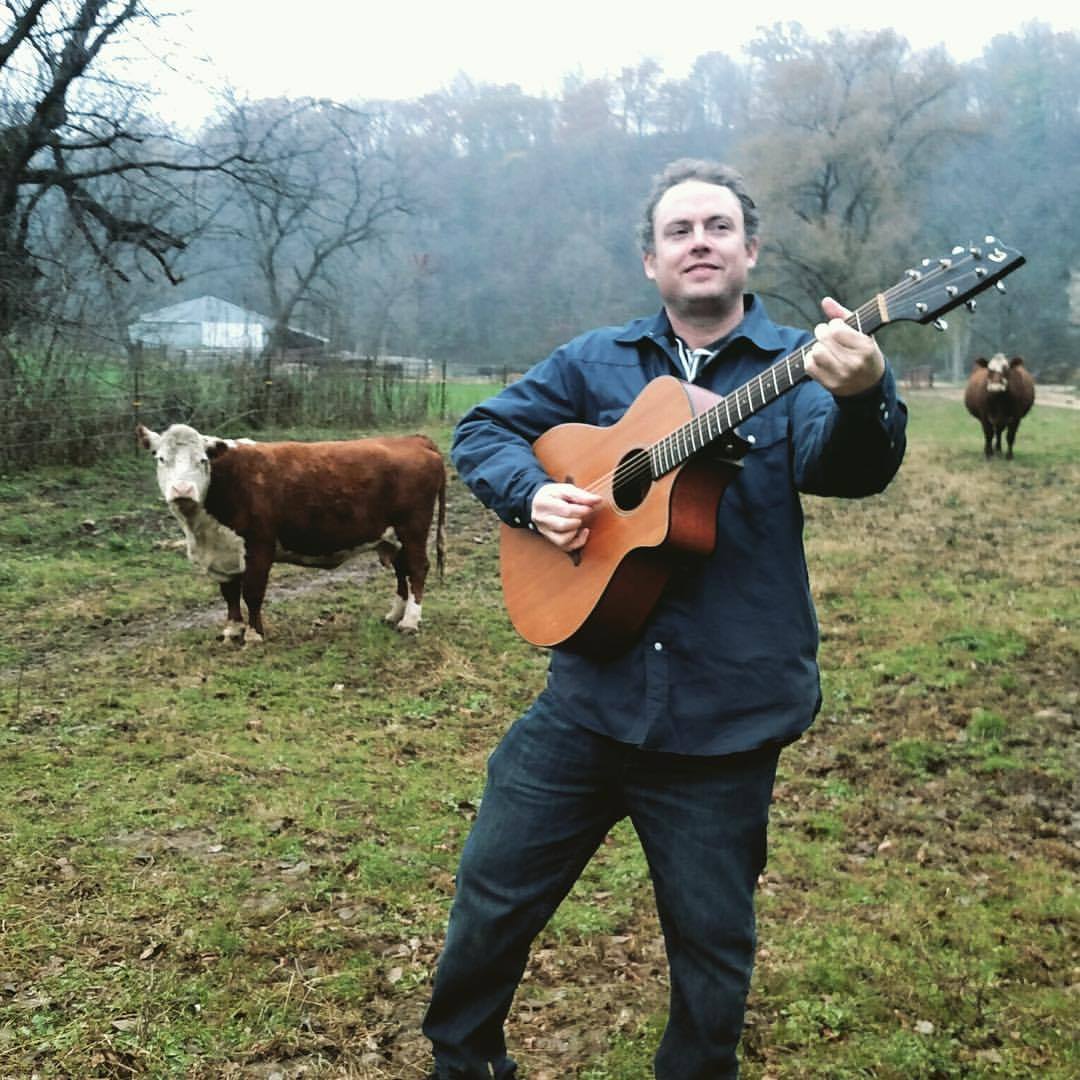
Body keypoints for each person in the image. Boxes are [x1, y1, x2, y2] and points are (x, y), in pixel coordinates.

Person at [422, 158, 908, 1079]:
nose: (699, 243)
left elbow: (846, 468)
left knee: (711, 947)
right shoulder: (593, 360)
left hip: (724, 715)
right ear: (651, 259)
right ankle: (464, 1058)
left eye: (718, 227)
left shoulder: (799, 362)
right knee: (492, 894)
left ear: (750, 250)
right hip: (589, 695)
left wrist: (862, 393)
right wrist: (533, 498)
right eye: (679, 231)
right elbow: (483, 430)